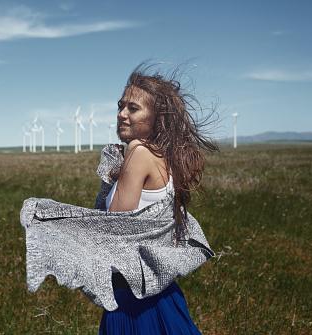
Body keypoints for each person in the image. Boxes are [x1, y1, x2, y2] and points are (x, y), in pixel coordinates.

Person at [20, 62, 218, 334]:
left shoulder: (139, 151)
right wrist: (112, 178)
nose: (122, 114)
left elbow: (112, 232)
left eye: (133, 108)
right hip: (160, 297)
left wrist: (50, 220)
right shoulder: (163, 156)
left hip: (133, 305)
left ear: (157, 116)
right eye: (120, 106)